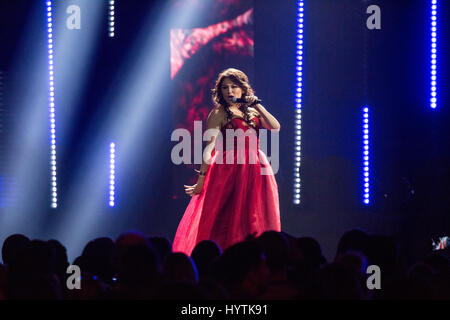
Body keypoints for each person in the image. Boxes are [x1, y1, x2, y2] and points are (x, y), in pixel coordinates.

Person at [173, 68, 281, 255]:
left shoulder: (252, 111)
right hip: (228, 167)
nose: (229, 91)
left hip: (255, 166)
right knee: (226, 216)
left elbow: (275, 127)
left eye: (234, 86)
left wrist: (258, 106)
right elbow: (209, 146)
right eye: (225, 87)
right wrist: (201, 180)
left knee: (253, 214)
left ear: (243, 88)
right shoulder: (219, 113)